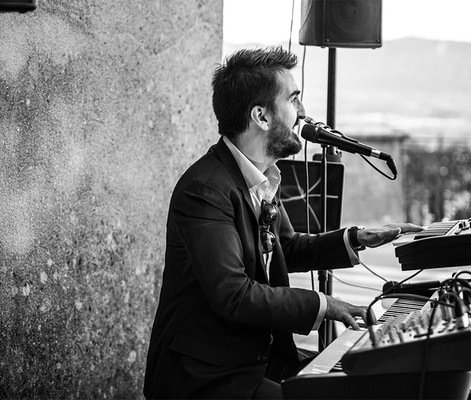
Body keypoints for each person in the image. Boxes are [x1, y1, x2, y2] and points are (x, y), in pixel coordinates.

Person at [143, 46, 423, 399]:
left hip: (259, 359)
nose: (302, 112)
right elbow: (233, 294)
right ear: (261, 116)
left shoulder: (260, 176)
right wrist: (324, 305)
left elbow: (284, 248)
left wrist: (355, 238)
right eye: (293, 99)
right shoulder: (205, 190)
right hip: (206, 377)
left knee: (358, 383)